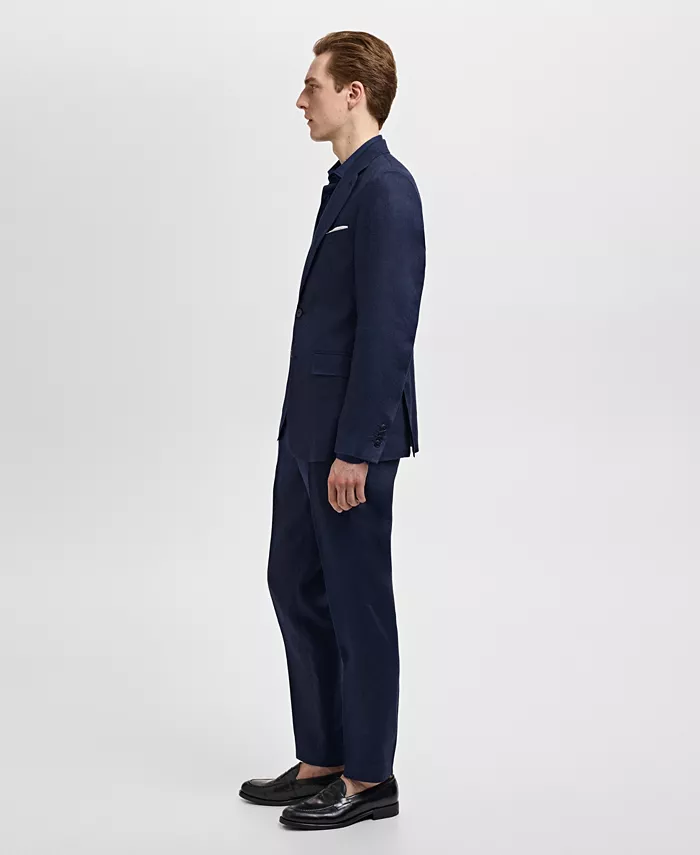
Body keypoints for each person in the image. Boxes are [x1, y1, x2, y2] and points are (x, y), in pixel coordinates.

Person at [239, 30, 426, 831]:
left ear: (355, 93)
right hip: (305, 437)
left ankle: (370, 776)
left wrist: (357, 448)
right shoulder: (343, 185)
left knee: (358, 604)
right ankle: (321, 754)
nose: (301, 99)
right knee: (292, 581)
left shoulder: (387, 189)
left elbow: (388, 331)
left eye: (312, 85)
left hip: (350, 443)